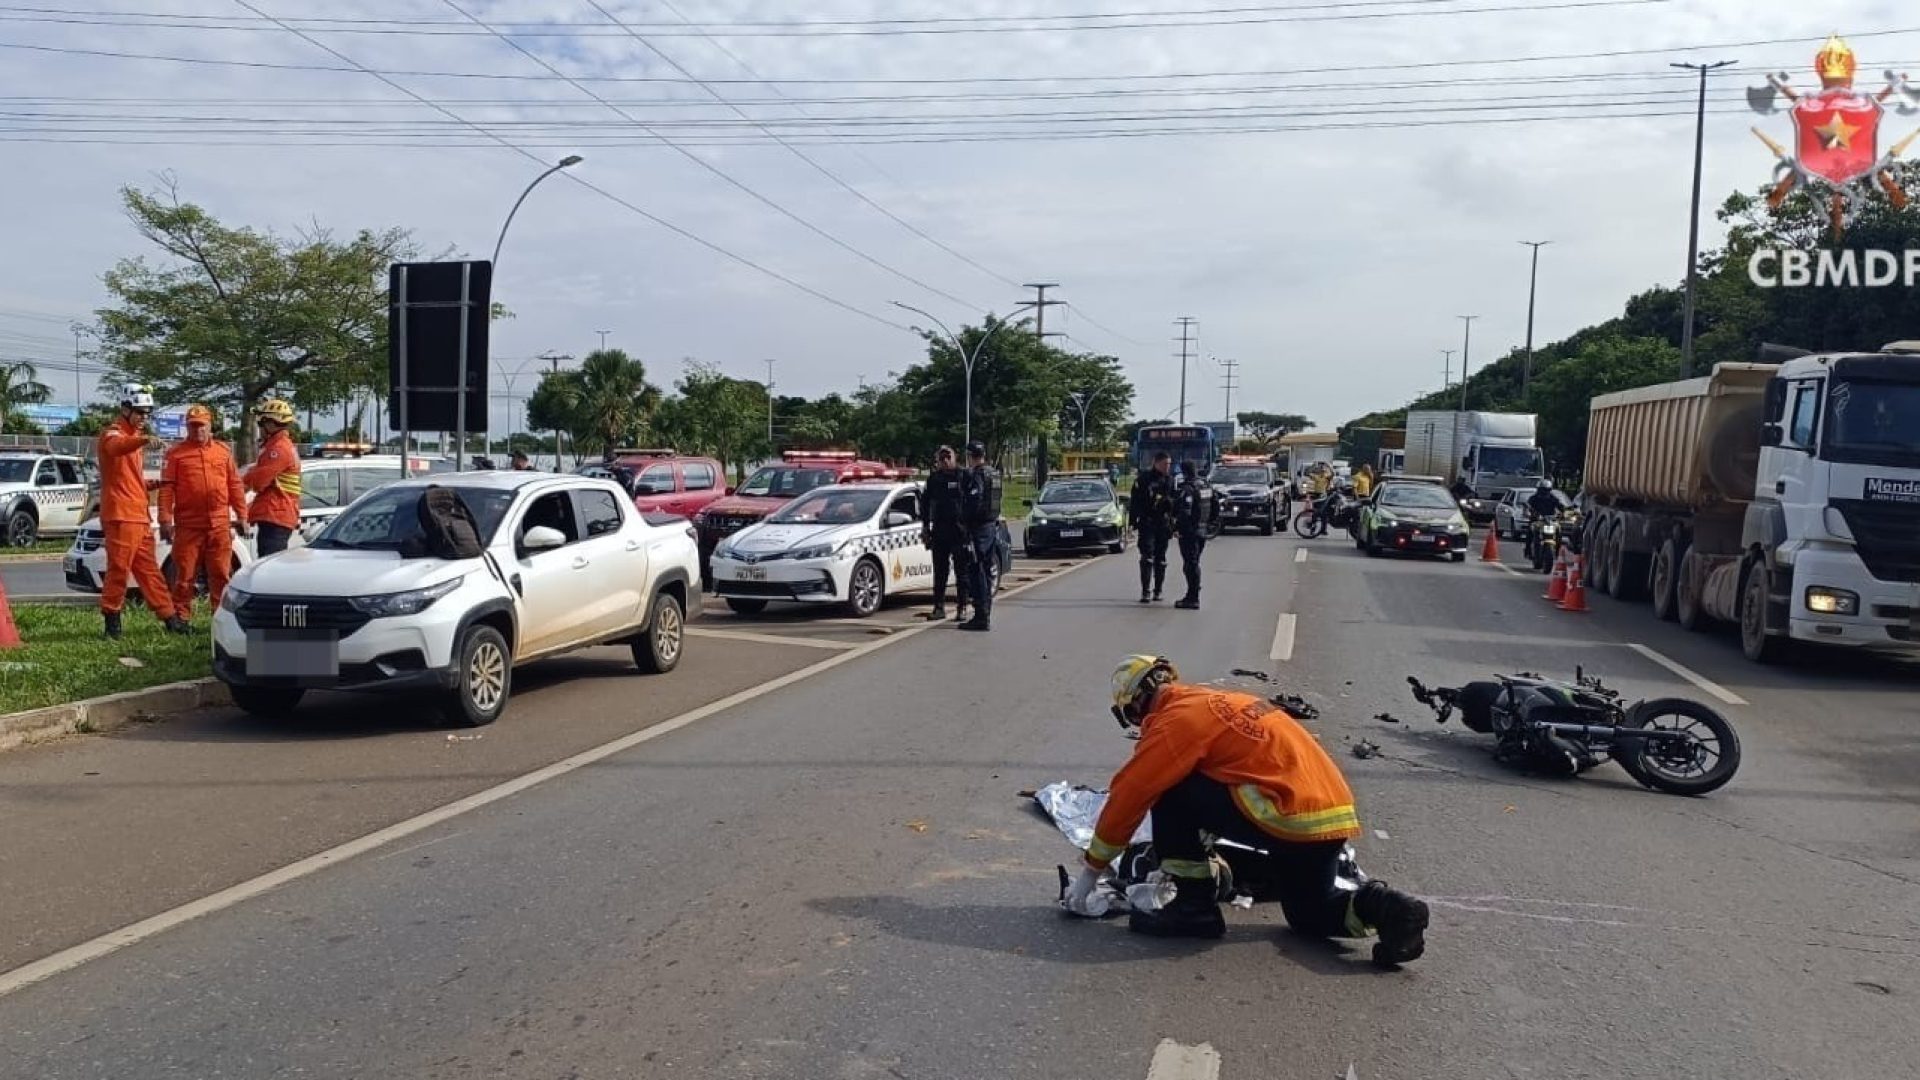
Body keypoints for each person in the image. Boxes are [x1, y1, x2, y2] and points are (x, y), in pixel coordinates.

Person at [1061, 656, 1430, 966]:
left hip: (1288, 816)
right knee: (1309, 916)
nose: (1137, 726)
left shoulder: (1175, 722)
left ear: (1137, 703)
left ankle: (1194, 907)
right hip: (1327, 819)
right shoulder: (1214, 700)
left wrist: (1088, 878)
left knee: (1169, 789)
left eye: (1130, 716)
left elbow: (1131, 793)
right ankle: (1389, 910)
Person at [97, 384, 190, 639]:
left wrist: (158, 483)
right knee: (118, 570)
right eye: (139, 412)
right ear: (125, 409)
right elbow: (117, 447)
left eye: (147, 413)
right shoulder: (112, 435)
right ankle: (112, 622)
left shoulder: (133, 441)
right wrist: (144, 439)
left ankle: (170, 618)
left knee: (150, 572)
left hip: (138, 516)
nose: (144, 418)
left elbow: (131, 480)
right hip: (121, 516)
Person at [158, 405, 249, 618]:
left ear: (210, 426)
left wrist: (242, 515)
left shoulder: (223, 452)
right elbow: (167, 489)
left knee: (220, 574)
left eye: (201, 426)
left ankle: (221, 619)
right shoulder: (175, 455)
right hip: (188, 526)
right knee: (184, 576)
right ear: (187, 427)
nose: (197, 430)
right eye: (192, 426)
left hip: (219, 525)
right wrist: (164, 520)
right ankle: (181, 618)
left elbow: (235, 485)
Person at [243, 398, 302, 556]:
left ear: (271, 424)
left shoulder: (278, 449)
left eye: (261, 423)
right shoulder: (280, 446)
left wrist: (237, 487)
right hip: (277, 515)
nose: (260, 428)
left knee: (268, 567)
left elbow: (258, 482)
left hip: (275, 515)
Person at [923, 445, 972, 622]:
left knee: (962, 572)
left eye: (948, 457)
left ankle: (962, 607)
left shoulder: (964, 476)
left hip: (960, 531)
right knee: (940, 572)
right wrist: (925, 527)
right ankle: (938, 607)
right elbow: (925, 504)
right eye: (941, 458)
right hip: (940, 531)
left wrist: (971, 527)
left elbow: (973, 501)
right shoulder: (934, 479)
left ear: (954, 457)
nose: (945, 461)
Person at [956, 440, 1001, 632]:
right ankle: (985, 613)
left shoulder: (978, 475)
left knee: (977, 571)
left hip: (978, 528)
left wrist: (964, 520)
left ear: (970, 456)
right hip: (991, 526)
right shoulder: (994, 473)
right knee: (986, 570)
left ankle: (981, 616)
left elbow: (974, 502)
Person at [1129, 452, 1176, 603]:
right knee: (1147, 557)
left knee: (1161, 558)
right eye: (1164, 464)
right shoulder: (1143, 479)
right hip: (1147, 522)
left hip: (1163, 523)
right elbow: (1135, 502)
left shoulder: (1170, 480)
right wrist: (1132, 522)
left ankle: (1158, 590)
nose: (1167, 467)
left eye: (1169, 464)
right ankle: (1145, 591)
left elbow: (1174, 503)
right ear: (1155, 463)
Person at [1171, 460, 1211, 610]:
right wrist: (1209, 525)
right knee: (1194, 562)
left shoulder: (1188, 488)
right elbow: (1214, 508)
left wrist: (1177, 528)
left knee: (1190, 564)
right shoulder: (1206, 485)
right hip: (1203, 530)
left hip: (1190, 532)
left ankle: (1192, 597)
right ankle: (1193, 594)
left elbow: (1185, 512)